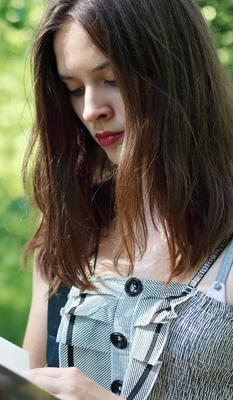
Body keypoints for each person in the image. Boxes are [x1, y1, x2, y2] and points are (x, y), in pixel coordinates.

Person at [19, 0, 233, 399]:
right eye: (74, 89)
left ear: (176, 73)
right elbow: (31, 383)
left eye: (112, 79)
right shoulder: (71, 235)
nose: (91, 110)